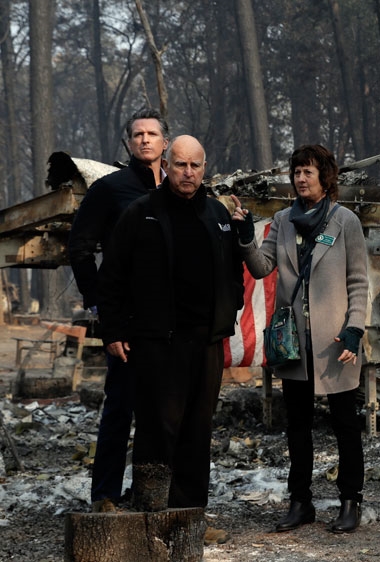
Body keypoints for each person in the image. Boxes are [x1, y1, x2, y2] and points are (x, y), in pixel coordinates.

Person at [97, 135, 244, 528]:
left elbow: (233, 273)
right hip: (155, 342)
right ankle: (150, 516)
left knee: (198, 430)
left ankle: (189, 520)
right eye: (180, 164)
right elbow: (111, 276)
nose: (188, 173)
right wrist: (112, 330)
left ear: (204, 169)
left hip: (206, 342)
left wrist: (230, 310)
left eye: (195, 166)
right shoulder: (140, 213)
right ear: (167, 165)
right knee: (156, 428)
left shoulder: (216, 214)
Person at [232, 144, 369, 534]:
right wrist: (245, 237)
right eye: (296, 172)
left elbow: (359, 282)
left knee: (345, 423)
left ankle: (349, 501)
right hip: (294, 342)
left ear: (326, 178)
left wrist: (355, 328)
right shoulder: (282, 221)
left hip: (337, 341)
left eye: (308, 172)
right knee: (298, 426)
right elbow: (261, 268)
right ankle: (300, 502)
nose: (300, 179)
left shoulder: (345, 221)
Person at [68, 107, 168, 513]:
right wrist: (99, 308)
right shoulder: (111, 189)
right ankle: (105, 496)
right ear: (128, 143)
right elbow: (79, 248)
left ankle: (156, 496)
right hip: (126, 320)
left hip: (173, 324)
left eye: (152, 133)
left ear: (165, 141)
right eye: (137, 134)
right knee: (120, 407)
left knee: (165, 413)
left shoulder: (183, 187)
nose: (145, 139)